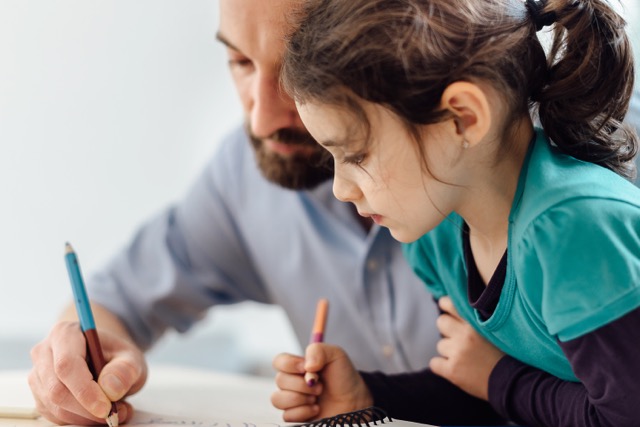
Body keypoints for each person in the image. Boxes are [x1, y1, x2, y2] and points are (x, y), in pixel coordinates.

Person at [26, 0, 482, 425]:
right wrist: (77, 366)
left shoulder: (513, 177)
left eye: (299, 72)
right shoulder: (248, 174)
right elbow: (113, 301)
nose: (262, 119)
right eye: (241, 62)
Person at [271, 0, 640, 426]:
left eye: (356, 155)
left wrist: (498, 379)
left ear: (463, 118)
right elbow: (482, 387)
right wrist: (367, 393)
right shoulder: (437, 234)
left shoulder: (574, 230)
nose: (340, 189)